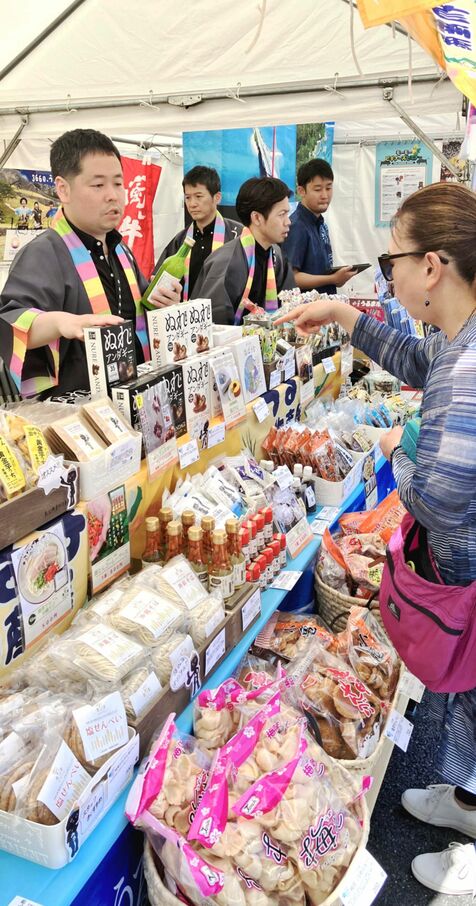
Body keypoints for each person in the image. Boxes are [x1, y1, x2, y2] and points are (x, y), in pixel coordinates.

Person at [276, 181, 476, 898]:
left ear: (433, 265)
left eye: (393, 255)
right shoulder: (458, 338)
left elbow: (444, 496)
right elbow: (423, 367)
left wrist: (400, 446)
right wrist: (343, 316)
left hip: (466, 563)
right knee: (468, 687)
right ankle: (465, 802)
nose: (385, 270)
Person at [0, 128, 181, 397]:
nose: (113, 195)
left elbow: (141, 312)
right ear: (63, 189)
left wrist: (164, 300)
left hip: (132, 398)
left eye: (118, 183)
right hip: (75, 413)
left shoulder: (121, 249)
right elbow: (9, 322)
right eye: (98, 185)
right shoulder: (44, 253)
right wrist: (62, 322)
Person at [192, 176, 295, 324]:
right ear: (257, 217)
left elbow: (288, 304)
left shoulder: (276, 254)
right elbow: (215, 323)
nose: (288, 221)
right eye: (282, 214)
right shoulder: (225, 262)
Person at [154, 165, 242, 300]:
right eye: (188, 197)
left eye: (198, 196)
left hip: (226, 317)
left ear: (217, 197)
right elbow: (160, 282)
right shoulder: (181, 239)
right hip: (186, 315)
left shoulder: (237, 234)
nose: (192, 204)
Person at [283, 159, 356, 295]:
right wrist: (333, 279)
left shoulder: (321, 224)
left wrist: (336, 277)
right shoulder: (296, 226)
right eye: (317, 189)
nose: (325, 195)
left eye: (328, 188)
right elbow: (292, 277)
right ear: (301, 191)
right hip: (305, 310)